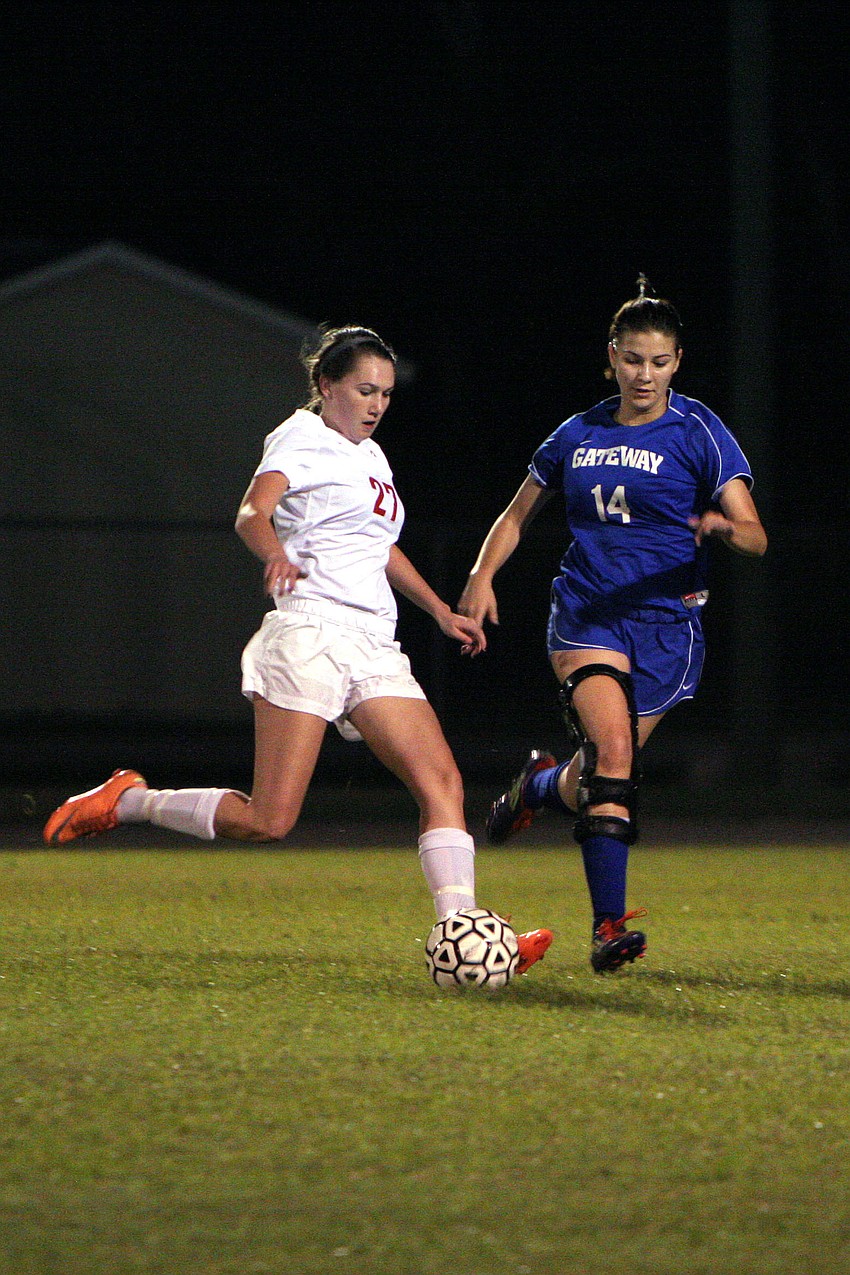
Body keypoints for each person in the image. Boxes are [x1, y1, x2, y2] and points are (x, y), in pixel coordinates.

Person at [44, 325, 552, 976]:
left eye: (387, 395)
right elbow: (252, 512)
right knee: (269, 819)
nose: (376, 405)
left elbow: (381, 548)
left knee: (442, 781)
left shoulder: (373, 458)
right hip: (310, 633)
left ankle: (467, 937)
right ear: (325, 384)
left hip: (372, 640)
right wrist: (276, 552)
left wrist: (439, 609)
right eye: (364, 389)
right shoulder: (300, 436)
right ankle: (129, 799)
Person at [458, 278, 767, 973]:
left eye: (658, 362)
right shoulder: (578, 432)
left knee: (599, 771)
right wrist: (481, 576)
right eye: (632, 360)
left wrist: (723, 526)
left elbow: (757, 536)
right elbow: (516, 515)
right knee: (616, 758)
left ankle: (540, 784)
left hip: (667, 626)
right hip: (587, 613)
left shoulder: (699, 430)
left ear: (678, 361)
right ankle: (609, 928)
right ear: (611, 357)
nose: (644, 375)